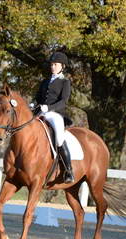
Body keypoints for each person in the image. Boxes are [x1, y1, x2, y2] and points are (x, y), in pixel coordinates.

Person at [32, 51, 74, 183]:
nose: (53, 67)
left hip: (56, 114)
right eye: (51, 64)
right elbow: (38, 97)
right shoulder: (45, 81)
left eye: (55, 65)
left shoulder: (65, 82)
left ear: (62, 66)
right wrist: (34, 104)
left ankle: (68, 170)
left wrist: (48, 108)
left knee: (60, 138)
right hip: (41, 112)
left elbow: (63, 101)